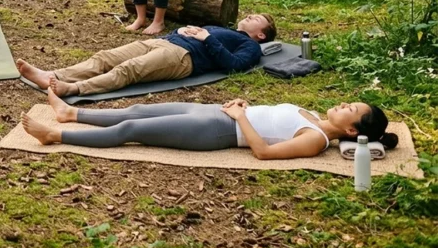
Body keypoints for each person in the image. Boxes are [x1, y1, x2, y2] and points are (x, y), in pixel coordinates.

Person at [23, 81, 399, 159]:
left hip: (218, 129)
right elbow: (271, 116)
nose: (344, 103)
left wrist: (239, 117)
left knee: (132, 130)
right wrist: (244, 105)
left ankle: (58, 135)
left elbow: (264, 151)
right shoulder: (313, 115)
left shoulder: (315, 138)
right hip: (221, 112)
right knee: (137, 110)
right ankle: (72, 112)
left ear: (351, 130)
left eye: (351, 108)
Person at [18, 14, 276, 96]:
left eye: (256, 19)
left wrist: (206, 38)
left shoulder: (250, 46)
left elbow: (235, 66)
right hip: (164, 41)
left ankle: (72, 89)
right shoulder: (225, 29)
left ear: (261, 35)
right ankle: (51, 75)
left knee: (127, 69)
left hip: (183, 58)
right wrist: (182, 29)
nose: (249, 16)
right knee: (105, 57)